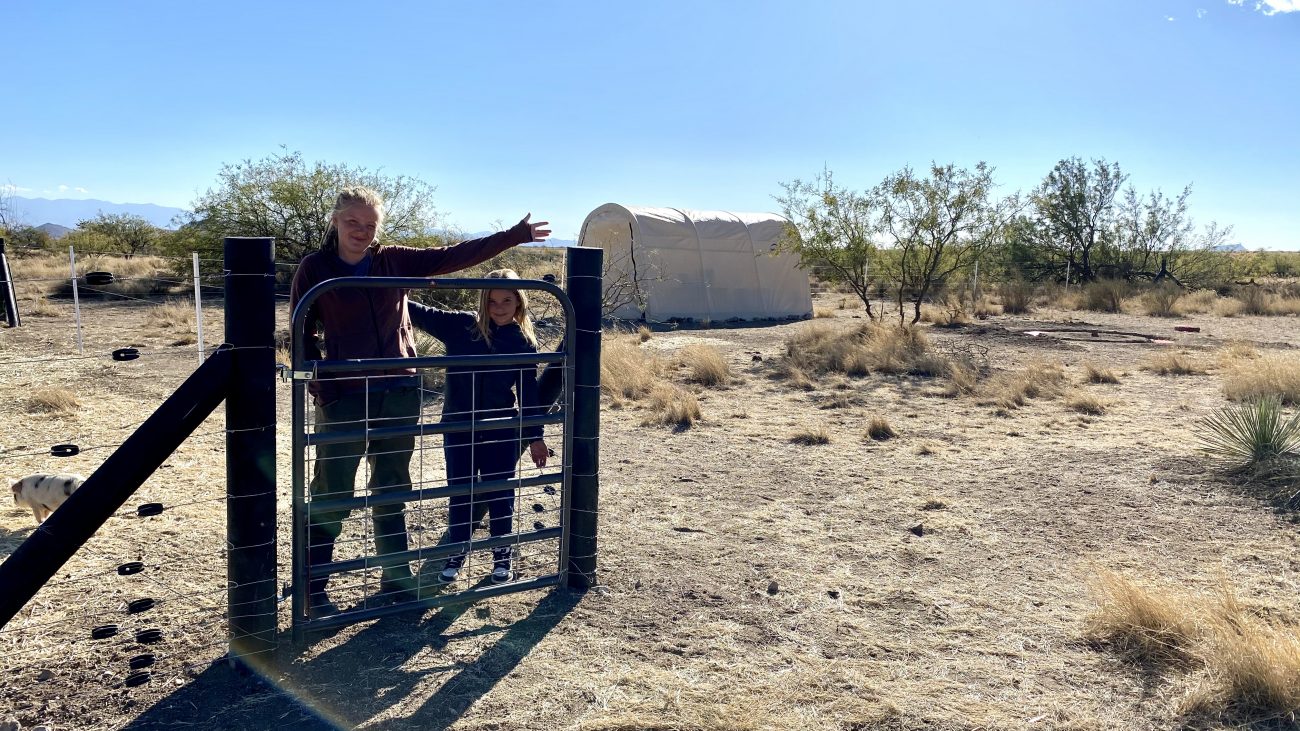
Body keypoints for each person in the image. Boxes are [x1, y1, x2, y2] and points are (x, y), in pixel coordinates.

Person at [290, 186, 549, 618]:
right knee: (333, 487)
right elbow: (300, 328)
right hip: (345, 395)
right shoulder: (314, 269)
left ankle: (396, 578)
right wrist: (318, 376)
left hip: (397, 393)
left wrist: (513, 236)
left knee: (392, 485)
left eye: (370, 224)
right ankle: (314, 586)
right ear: (335, 220)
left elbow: (454, 255)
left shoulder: (393, 260)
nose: (361, 231)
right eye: (353, 222)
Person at [406, 269, 549, 584]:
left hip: (500, 427)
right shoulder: (461, 326)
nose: (498, 307)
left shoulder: (523, 341)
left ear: (518, 302)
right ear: (483, 301)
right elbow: (415, 312)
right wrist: (404, 282)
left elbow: (528, 392)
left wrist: (536, 436)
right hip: (458, 426)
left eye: (506, 300)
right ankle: (456, 553)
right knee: (462, 492)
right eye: (492, 300)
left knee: (500, 492)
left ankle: (501, 557)